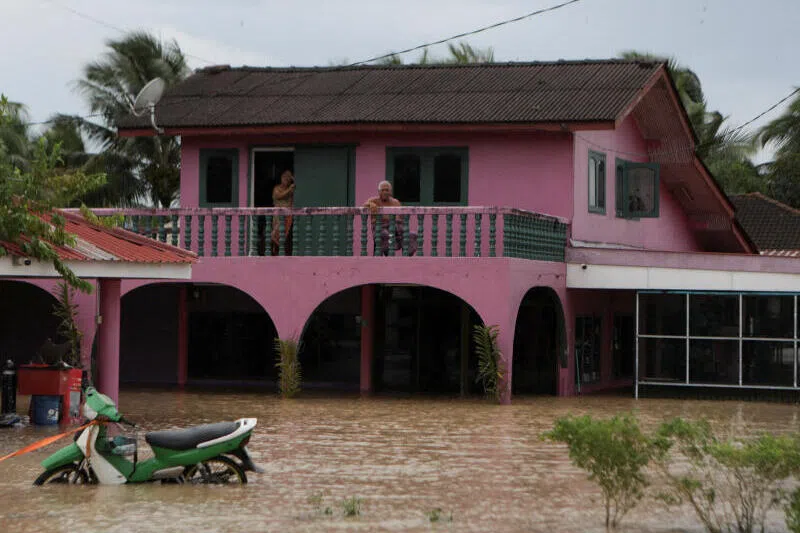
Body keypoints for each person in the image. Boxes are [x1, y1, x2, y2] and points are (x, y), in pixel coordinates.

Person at [363, 181, 416, 256]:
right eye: (383, 190)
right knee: (386, 235)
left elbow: (401, 217)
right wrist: (370, 204)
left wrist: (397, 222)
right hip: (381, 227)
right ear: (379, 192)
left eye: (387, 190)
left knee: (411, 235)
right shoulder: (374, 201)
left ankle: (406, 258)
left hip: (395, 227)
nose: (385, 192)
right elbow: (364, 205)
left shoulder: (395, 202)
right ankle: (387, 257)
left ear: (390, 192)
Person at [271, 169, 295, 256]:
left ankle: (284, 253)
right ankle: (275, 253)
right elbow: (278, 196)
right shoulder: (277, 188)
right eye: (284, 178)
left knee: (286, 237)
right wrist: (289, 189)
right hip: (278, 216)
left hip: (287, 216)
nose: (285, 180)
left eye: (288, 179)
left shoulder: (291, 190)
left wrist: (294, 181)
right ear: (281, 178)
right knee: (275, 235)